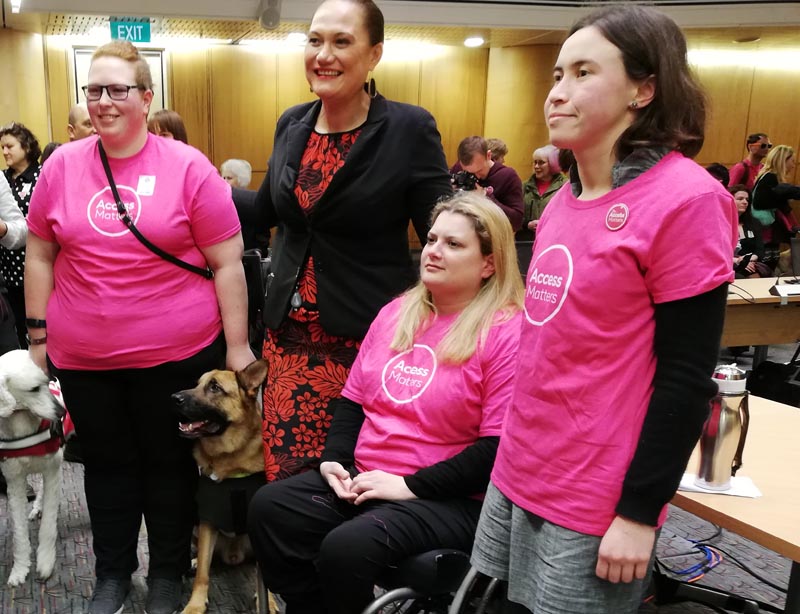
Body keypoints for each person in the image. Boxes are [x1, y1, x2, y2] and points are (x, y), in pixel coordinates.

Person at [468, 7, 737, 613]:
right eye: (557, 74)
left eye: (583, 73)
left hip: (596, 494)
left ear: (645, 89)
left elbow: (686, 376)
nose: (557, 92)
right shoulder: (566, 197)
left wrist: (640, 513)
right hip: (522, 468)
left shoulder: (687, 200)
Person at [25, 40, 253, 614]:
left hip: (176, 357)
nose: (103, 102)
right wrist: (36, 339)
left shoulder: (187, 166)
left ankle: (168, 576)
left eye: (117, 90)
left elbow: (228, 263)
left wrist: (238, 345)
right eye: (94, 90)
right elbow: (40, 255)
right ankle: (111, 574)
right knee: (106, 469)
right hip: (86, 359)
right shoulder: (60, 166)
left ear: (146, 98)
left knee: (168, 467)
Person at [248, 192, 524, 614]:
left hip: (450, 499)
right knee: (271, 508)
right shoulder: (397, 312)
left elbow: (496, 450)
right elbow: (353, 402)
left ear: (489, 263)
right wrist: (334, 462)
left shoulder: (505, 331)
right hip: (369, 478)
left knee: (347, 547)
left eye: (454, 244)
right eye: (431, 239)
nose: (433, 250)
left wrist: (410, 486)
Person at [254, 0, 452, 482]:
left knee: (355, 480)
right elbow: (263, 211)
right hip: (286, 341)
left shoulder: (408, 128)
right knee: (285, 484)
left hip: (365, 342)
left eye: (342, 42)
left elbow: (442, 230)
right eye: (316, 40)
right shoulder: (291, 123)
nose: (324, 54)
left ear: (374, 55)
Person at [0, 122, 41, 348]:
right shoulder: (5, 178)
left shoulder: (41, 175)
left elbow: (22, 225)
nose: (5, 152)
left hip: (33, 260)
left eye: (9, 146)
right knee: (17, 320)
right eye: (2, 148)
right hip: (8, 268)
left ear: (25, 145)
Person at [451, 136, 524, 231]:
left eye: (480, 170)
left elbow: (516, 221)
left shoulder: (507, 176)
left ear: (489, 155)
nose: (476, 177)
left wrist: (486, 197)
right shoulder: (458, 169)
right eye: (469, 173)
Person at [751, 144, 800, 260]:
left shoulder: (767, 177)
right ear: (783, 160)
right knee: (766, 264)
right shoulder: (770, 178)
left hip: (766, 229)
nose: (793, 165)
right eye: (792, 161)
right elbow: (760, 202)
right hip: (765, 230)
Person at [518, 144, 567, 241]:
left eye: (541, 163)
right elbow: (516, 215)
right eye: (535, 162)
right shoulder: (524, 186)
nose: (536, 166)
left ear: (553, 164)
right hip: (526, 241)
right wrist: (527, 224)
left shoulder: (565, 186)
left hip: (554, 239)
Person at [731, 184, 771, 279]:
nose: (745, 202)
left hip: (750, 263)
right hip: (728, 264)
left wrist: (748, 261)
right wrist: (737, 261)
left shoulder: (754, 223)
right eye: (740, 199)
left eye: (747, 200)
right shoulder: (720, 223)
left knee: (756, 275)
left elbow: (760, 249)